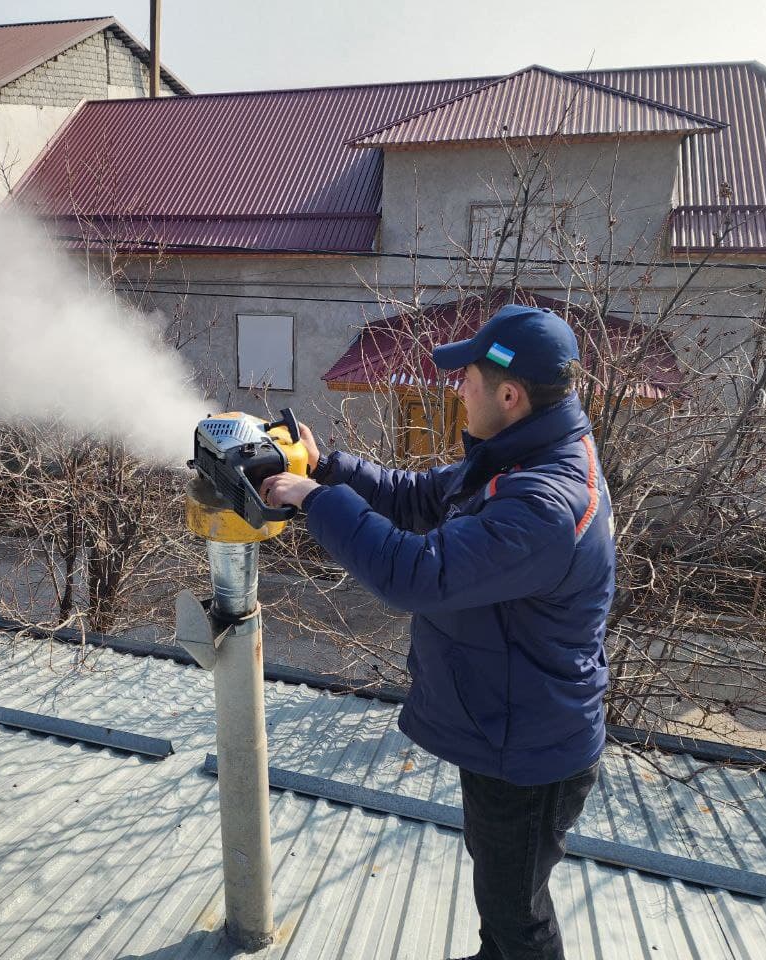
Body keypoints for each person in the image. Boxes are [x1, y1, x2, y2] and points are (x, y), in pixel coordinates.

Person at [261, 304, 615, 960]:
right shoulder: (523, 454)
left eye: (468, 381)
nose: (458, 391)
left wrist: (312, 499)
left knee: (520, 918)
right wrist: (328, 468)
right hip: (511, 729)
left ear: (509, 395)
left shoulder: (543, 502)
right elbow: (423, 499)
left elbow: (414, 574)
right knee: (502, 893)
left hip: (530, 752)